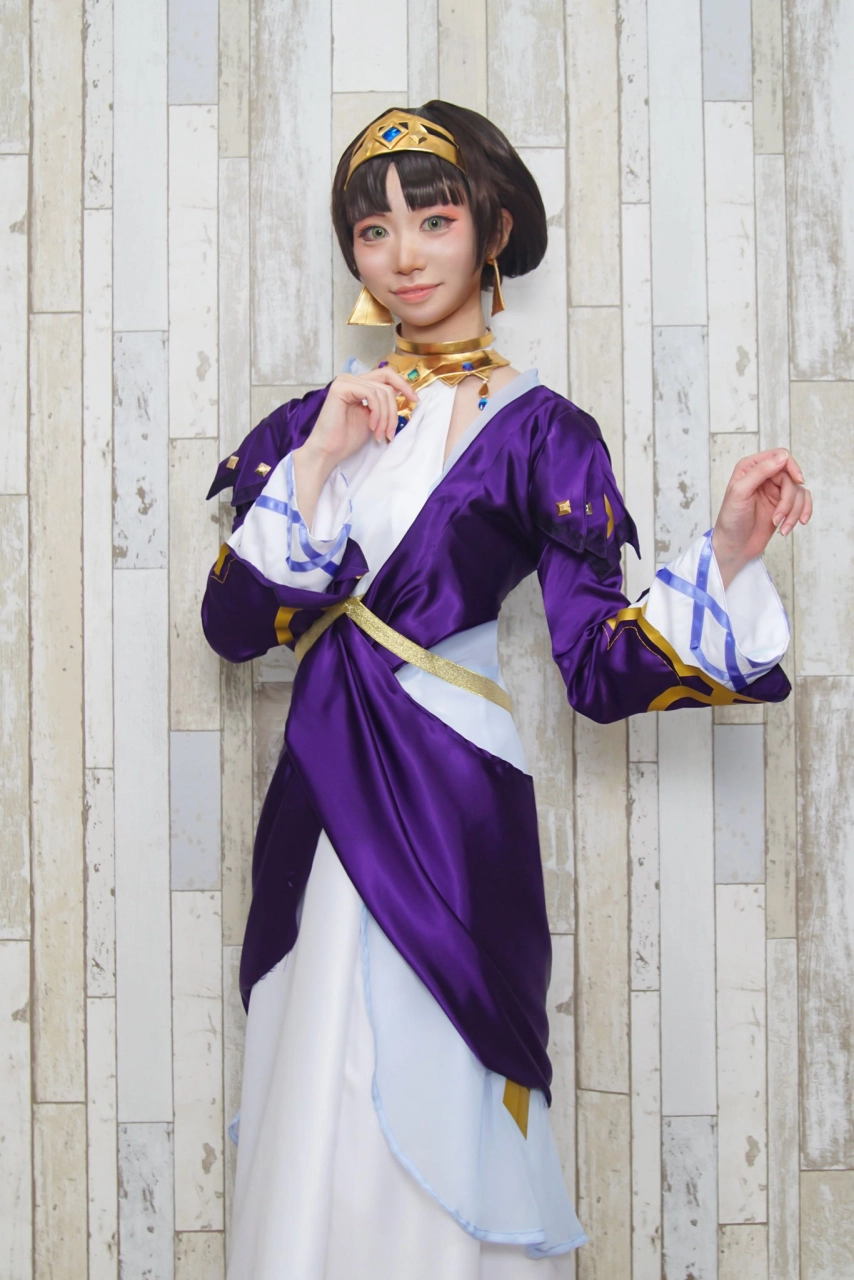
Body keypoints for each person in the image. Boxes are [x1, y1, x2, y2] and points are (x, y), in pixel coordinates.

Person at [202, 102, 812, 1279]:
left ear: (492, 230)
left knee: (439, 1047)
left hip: (454, 791)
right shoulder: (310, 421)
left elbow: (599, 664)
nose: (403, 253)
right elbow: (233, 630)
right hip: (324, 779)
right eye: (372, 230)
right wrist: (322, 453)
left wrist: (730, 548)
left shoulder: (547, 435)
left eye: (432, 220)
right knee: (320, 1045)